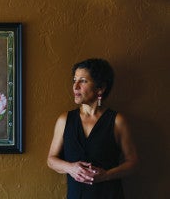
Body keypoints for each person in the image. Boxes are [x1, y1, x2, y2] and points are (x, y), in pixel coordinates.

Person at [47, 58, 138, 199]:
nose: (75, 86)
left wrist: (106, 175)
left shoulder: (117, 121)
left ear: (100, 88)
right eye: (74, 80)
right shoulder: (65, 120)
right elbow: (51, 160)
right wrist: (71, 168)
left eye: (83, 81)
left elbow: (132, 163)